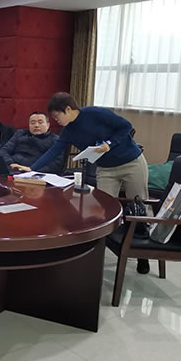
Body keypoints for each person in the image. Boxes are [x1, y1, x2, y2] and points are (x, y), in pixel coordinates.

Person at [31, 92, 150, 273]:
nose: (56, 121)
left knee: (138, 206)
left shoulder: (95, 113)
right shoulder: (68, 131)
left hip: (131, 162)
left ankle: (142, 255)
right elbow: (54, 151)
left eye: (57, 116)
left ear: (68, 109)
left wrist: (109, 144)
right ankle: (100, 252)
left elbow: (126, 126)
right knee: (104, 211)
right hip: (106, 169)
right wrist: (31, 169)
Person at [0, 112, 64, 174]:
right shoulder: (20, 134)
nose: (36, 125)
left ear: (48, 125)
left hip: (36, 173)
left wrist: (31, 169)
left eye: (40, 122)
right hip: (13, 169)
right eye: (32, 123)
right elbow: (3, 151)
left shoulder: (55, 140)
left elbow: (56, 164)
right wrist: (10, 163)